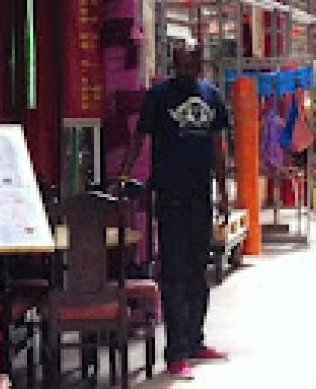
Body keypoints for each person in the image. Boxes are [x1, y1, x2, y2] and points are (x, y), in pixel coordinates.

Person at [120, 43, 230, 380]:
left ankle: (195, 341)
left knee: (200, 269)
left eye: (193, 63)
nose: (187, 68)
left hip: (200, 196)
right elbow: (140, 139)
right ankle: (176, 353)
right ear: (173, 63)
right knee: (174, 273)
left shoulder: (212, 97)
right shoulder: (158, 96)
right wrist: (124, 175)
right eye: (181, 63)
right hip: (169, 196)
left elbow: (218, 147)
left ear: (200, 64)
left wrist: (224, 191)